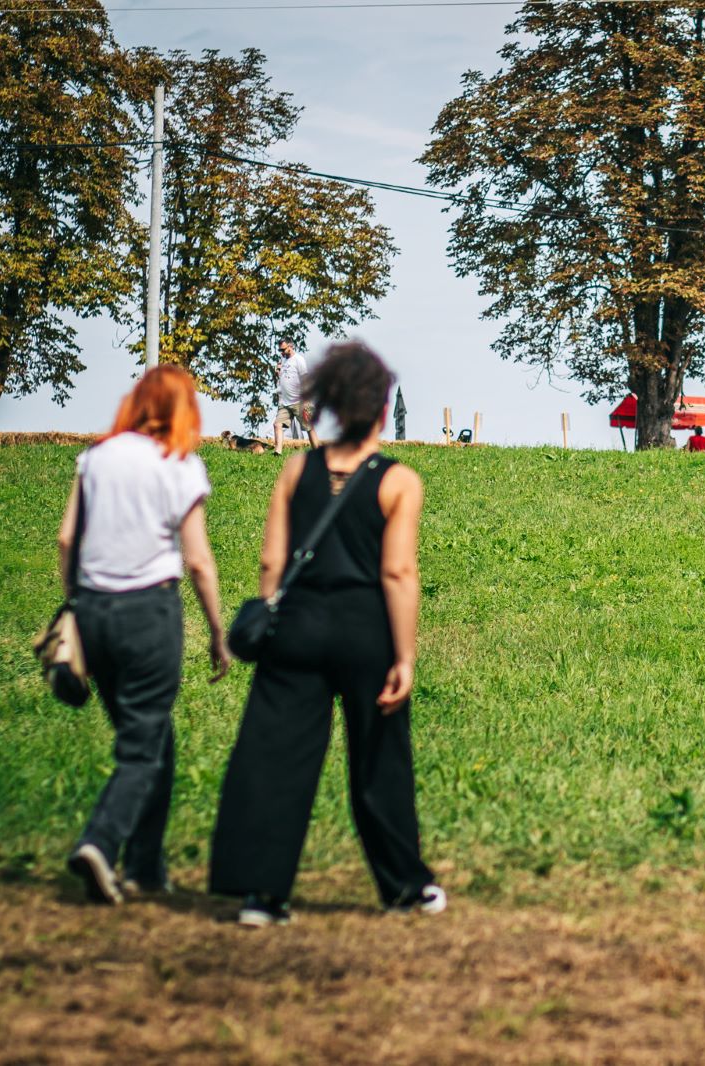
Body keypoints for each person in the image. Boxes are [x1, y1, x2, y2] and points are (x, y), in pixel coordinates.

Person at [210, 341, 444, 926]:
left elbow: (271, 565)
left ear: (330, 405)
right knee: (379, 762)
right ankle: (404, 887)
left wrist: (266, 618)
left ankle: (261, 895)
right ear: (383, 411)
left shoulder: (295, 470)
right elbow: (397, 572)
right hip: (366, 633)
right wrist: (405, 656)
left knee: (276, 758)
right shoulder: (399, 482)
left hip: (296, 632)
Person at [60, 366, 231, 904]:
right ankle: (100, 843)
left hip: (94, 613)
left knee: (152, 737)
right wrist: (216, 631)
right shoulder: (178, 461)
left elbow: (68, 541)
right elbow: (199, 561)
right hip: (148, 613)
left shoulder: (97, 456)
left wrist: (74, 609)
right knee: (142, 748)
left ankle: (146, 867)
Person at [273, 339, 318, 455]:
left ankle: (318, 452)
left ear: (290, 346)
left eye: (283, 349)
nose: (281, 352)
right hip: (285, 402)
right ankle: (277, 452)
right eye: (279, 350)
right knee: (277, 424)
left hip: (300, 400)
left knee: (309, 428)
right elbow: (283, 378)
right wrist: (278, 373)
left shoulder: (299, 360)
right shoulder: (283, 360)